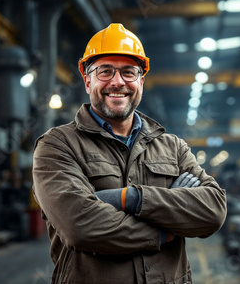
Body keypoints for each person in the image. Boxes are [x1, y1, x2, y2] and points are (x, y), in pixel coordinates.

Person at [32, 23, 227, 284]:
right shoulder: (58, 145)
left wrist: (131, 198)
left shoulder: (173, 147)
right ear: (87, 78)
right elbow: (80, 227)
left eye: (128, 72)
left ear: (141, 81)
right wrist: (165, 231)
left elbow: (213, 211)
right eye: (105, 71)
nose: (117, 81)